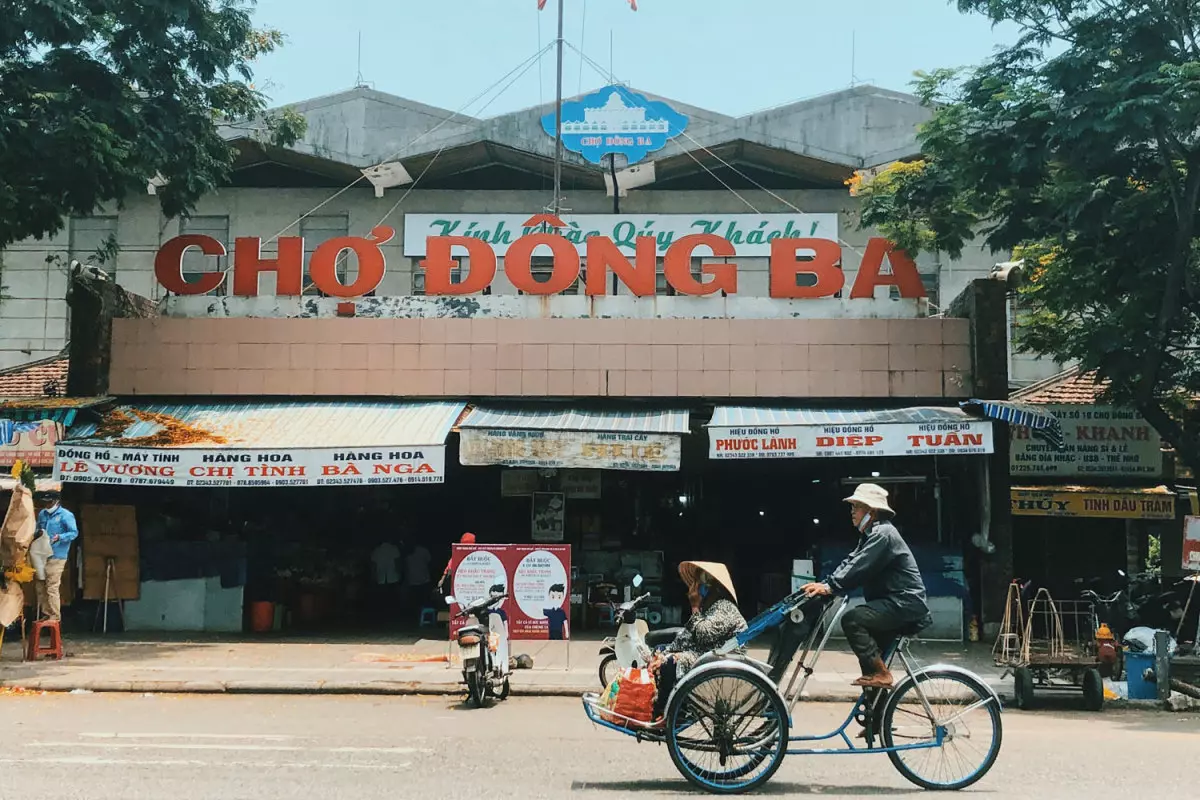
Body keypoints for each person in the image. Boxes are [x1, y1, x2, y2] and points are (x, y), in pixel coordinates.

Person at [801, 483, 931, 689]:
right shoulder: (871, 535)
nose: (852, 511)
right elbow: (852, 561)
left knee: (853, 620)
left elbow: (860, 566)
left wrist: (831, 586)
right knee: (868, 669)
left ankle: (881, 673)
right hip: (894, 603)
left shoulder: (883, 534)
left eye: (856, 506)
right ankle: (876, 712)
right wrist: (826, 584)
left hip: (904, 603)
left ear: (870, 511)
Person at [644, 561, 747, 722]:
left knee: (669, 661)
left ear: (712, 588)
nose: (695, 588)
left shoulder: (724, 607)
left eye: (699, 585)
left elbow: (704, 634)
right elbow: (690, 635)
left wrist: (694, 606)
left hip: (720, 660)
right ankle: (660, 707)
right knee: (660, 651)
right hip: (709, 655)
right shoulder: (711, 608)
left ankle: (670, 715)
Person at [34, 484, 78, 622]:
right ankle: (46, 613)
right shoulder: (42, 514)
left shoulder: (66, 515)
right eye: (45, 502)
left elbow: (73, 533)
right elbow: (37, 529)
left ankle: (55, 615)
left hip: (57, 555)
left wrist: (60, 537)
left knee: (52, 586)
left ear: (56, 502)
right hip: (41, 554)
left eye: (50, 502)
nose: (47, 505)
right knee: (40, 585)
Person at [403, 541, 433, 613]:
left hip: (412, 579)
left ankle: (414, 614)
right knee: (424, 599)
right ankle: (425, 614)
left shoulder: (407, 551)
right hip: (424, 578)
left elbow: (405, 566)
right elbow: (429, 562)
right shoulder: (424, 550)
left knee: (414, 599)